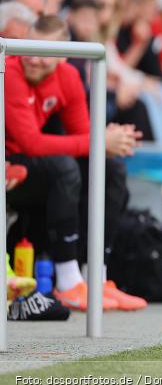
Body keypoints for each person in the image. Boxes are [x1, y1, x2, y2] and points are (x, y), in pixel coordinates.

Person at [4, 16, 147, 311]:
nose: (33, 59)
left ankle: (96, 278)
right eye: (29, 49)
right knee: (65, 169)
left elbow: (83, 137)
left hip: (28, 165)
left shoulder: (68, 76)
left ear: (64, 56)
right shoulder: (9, 71)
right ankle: (68, 282)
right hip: (8, 165)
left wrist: (109, 141)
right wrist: (99, 141)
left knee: (110, 170)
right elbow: (31, 143)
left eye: (44, 53)